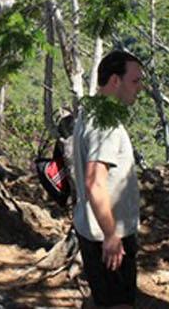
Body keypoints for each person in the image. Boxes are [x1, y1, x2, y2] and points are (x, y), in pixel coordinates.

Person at [70, 51, 146, 308]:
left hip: (92, 228)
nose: (140, 88)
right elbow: (94, 181)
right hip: (108, 233)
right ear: (115, 80)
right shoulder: (105, 124)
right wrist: (112, 236)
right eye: (135, 81)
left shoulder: (90, 110)